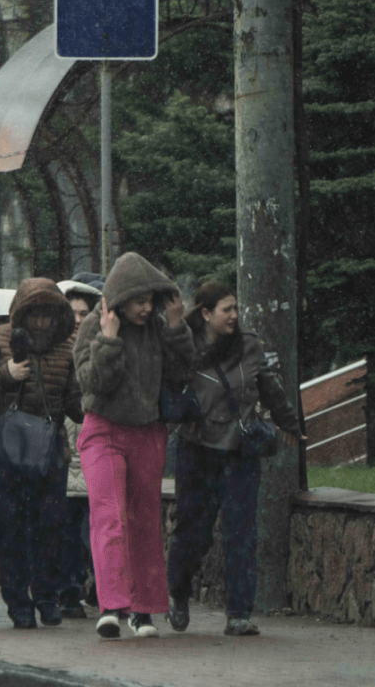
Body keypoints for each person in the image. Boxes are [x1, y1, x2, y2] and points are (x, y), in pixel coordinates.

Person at [166, 281, 302, 637]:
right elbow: (168, 381)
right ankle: (178, 594)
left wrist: (289, 422)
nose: (234, 315)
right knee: (192, 533)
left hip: (239, 451)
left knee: (241, 533)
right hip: (196, 450)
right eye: (226, 309)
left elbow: (268, 386)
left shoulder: (249, 345)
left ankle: (239, 613)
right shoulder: (186, 345)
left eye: (236, 308)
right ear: (207, 313)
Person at [73, 252, 192, 639]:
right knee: (110, 517)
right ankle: (111, 605)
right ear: (120, 297)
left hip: (147, 432)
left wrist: (176, 327)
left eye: (150, 301)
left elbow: (178, 377)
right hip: (102, 431)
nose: (146, 308)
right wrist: (108, 340)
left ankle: (143, 612)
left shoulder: (158, 326)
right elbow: (94, 384)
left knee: (144, 520)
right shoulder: (95, 325)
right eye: (139, 300)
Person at [0, 278, 83, 629]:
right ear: (21, 312)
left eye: (49, 314)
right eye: (35, 313)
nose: (42, 322)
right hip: (1, 451)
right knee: (11, 527)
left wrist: (96, 395)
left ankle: (47, 597)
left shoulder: (68, 346)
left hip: (48, 451)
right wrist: (7, 374)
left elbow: (75, 405)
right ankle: (18, 602)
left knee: (50, 527)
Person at [54, 276, 103, 618]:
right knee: (66, 537)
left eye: (83, 313)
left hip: (94, 458)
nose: (76, 320)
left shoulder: (100, 350)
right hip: (63, 461)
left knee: (95, 534)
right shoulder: (51, 353)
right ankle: (69, 592)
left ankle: (100, 589)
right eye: (70, 313)